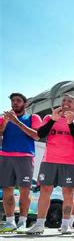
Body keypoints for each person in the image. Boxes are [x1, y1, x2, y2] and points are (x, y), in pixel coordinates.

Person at [26, 94, 74, 235]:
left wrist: (70, 122)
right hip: (49, 161)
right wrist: (53, 119)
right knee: (45, 192)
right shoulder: (49, 117)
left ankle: (66, 225)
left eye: (70, 101)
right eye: (64, 101)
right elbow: (40, 134)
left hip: (69, 163)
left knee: (68, 193)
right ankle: (40, 224)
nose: (65, 103)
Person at [0, 93, 41, 233]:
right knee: (7, 190)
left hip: (25, 157)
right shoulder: (3, 119)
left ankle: (22, 222)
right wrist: (5, 123)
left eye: (18, 100)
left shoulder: (33, 117)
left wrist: (16, 121)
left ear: (26, 103)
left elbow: (36, 135)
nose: (15, 103)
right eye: (13, 101)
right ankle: (10, 222)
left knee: (25, 190)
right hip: (5, 157)